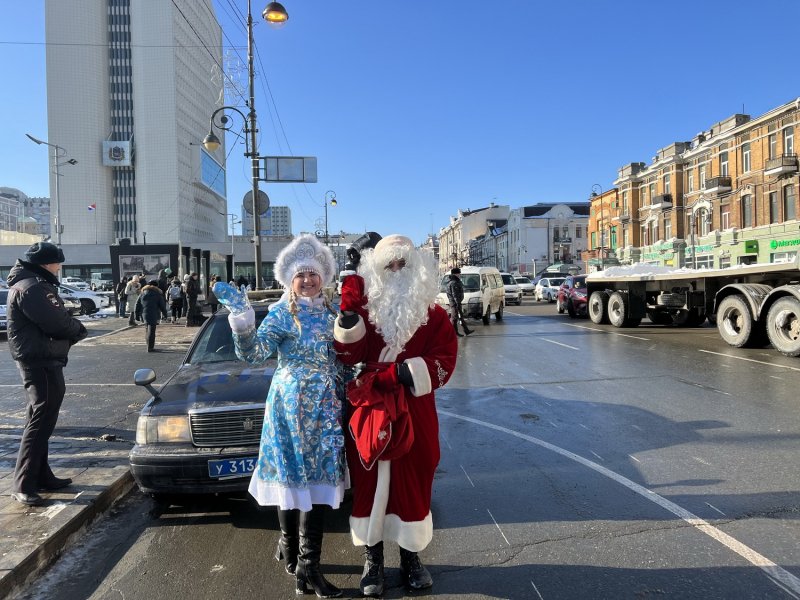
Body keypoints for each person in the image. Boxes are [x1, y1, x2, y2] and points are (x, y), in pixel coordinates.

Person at [216, 234, 345, 598]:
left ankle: (306, 564)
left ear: (324, 277)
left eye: (313, 274)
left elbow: (345, 359)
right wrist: (241, 320)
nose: (307, 280)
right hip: (289, 407)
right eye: (300, 275)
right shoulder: (281, 314)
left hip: (326, 409)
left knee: (318, 486)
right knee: (291, 481)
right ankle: (300, 559)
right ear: (290, 278)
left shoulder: (333, 312)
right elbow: (254, 355)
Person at [334, 235, 458, 596]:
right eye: (390, 265)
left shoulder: (433, 314)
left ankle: (411, 558)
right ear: (379, 269)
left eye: (404, 264)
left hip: (415, 409)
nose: (398, 271)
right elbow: (347, 355)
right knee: (369, 482)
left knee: (415, 481)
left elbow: (446, 359)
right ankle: (372, 562)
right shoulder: (367, 311)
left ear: (416, 269)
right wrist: (347, 320)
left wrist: (406, 373)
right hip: (372, 406)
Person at [6, 242, 88, 506]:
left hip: (42, 358)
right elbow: (56, 321)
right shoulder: (33, 288)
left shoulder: (32, 284)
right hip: (40, 360)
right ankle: (24, 483)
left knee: (41, 417)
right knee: (41, 420)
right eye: (57, 262)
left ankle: (41, 475)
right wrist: (78, 329)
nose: (59, 267)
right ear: (45, 264)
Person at [135, 280, 168, 352]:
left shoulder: (142, 293)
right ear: (156, 286)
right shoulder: (157, 294)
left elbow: (137, 304)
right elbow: (162, 306)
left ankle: (148, 345)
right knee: (152, 331)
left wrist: (136, 315)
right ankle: (150, 347)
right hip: (154, 313)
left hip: (144, 313)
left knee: (147, 329)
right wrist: (165, 315)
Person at [446, 267, 473, 337]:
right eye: (459, 273)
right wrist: (457, 303)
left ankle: (466, 330)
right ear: (455, 274)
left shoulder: (455, 281)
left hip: (456, 302)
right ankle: (453, 333)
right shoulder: (453, 283)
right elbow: (455, 294)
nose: (460, 275)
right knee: (454, 318)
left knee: (460, 317)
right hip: (455, 303)